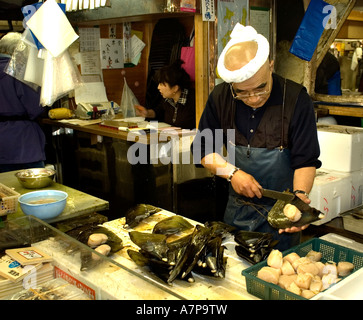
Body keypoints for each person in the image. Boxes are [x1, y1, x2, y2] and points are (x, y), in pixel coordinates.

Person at [191, 24, 321, 251]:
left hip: (281, 220)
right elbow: (203, 150)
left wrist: (299, 200)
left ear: (271, 66)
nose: (252, 99)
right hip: (236, 213)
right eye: (241, 92)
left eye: (260, 89)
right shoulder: (221, 97)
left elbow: (305, 160)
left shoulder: (295, 99)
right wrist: (232, 173)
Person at [0, 32, 46, 173]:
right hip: (22, 144)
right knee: (31, 191)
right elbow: (35, 108)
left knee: (4, 191)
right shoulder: (18, 70)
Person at [135, 59, 196, 130]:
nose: (158, 87)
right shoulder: (167, 100)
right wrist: (147, 113)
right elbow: (158, 111)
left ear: (175, 88)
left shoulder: (193, 101)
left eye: (162, 84)